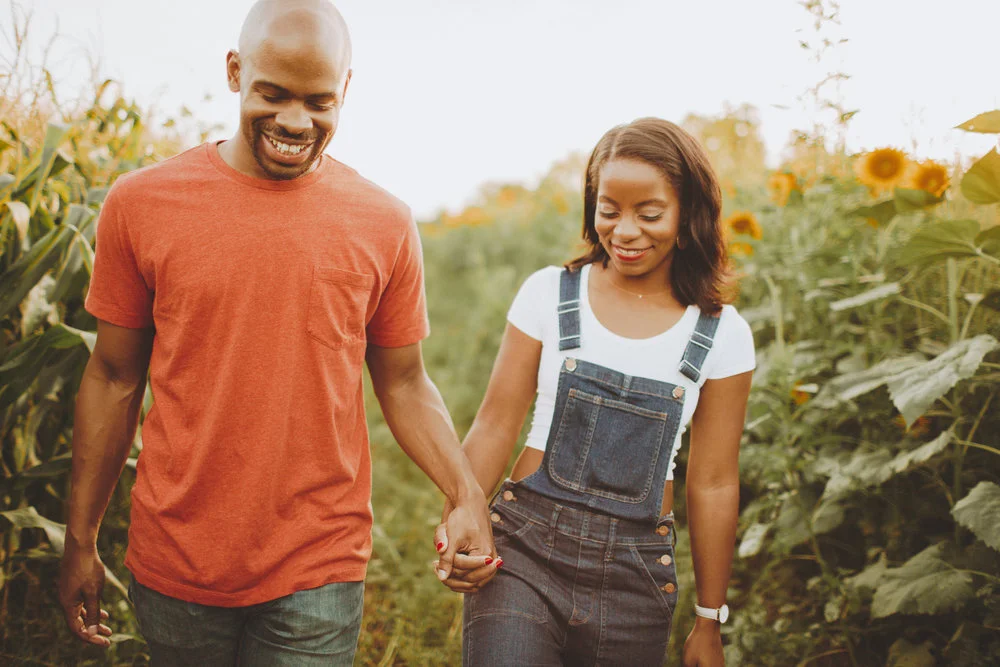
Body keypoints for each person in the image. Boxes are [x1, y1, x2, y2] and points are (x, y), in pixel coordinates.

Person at [56, 1, 493, 664]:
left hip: (318, 565)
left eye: (319, 100)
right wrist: (80, 539)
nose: (295, 120)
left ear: (346, 90)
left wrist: (466, 494)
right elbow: (114, 376)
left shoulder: (385, 223)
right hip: (177, 561)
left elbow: (404, 380)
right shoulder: (141, 203)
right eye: (272, 93)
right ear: (235, 73)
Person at [436, 117, 755, 666]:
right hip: (525, 551)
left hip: (635, 575)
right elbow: (495, 424)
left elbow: (715, 482)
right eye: (609, 211)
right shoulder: (549, 294)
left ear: (687, 216)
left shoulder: (722, 333)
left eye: (649, 214)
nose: (625, 231)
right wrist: (459, 516)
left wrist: (708, 618)